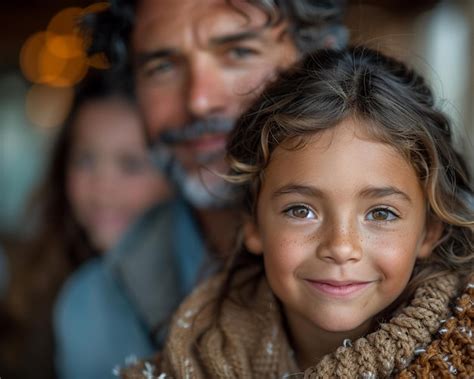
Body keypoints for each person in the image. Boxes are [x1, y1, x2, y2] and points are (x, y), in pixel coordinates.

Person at [120, 46, 473, 378]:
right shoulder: (182, 365)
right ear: (254, 224)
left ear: (429, 230)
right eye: (301, 210)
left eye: (381, 214)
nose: (341, 246)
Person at [83, 0, 349, 350]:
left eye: (239, 52)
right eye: (163, 67)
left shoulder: (417, 282)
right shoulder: (91, 309)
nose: (199, 101)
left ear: (322, 61)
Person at [1, 71, 171, 379]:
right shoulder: (45, 281)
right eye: (85, 160)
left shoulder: (198, 286)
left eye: (131, 164)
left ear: (175, 176)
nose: (102, 188)